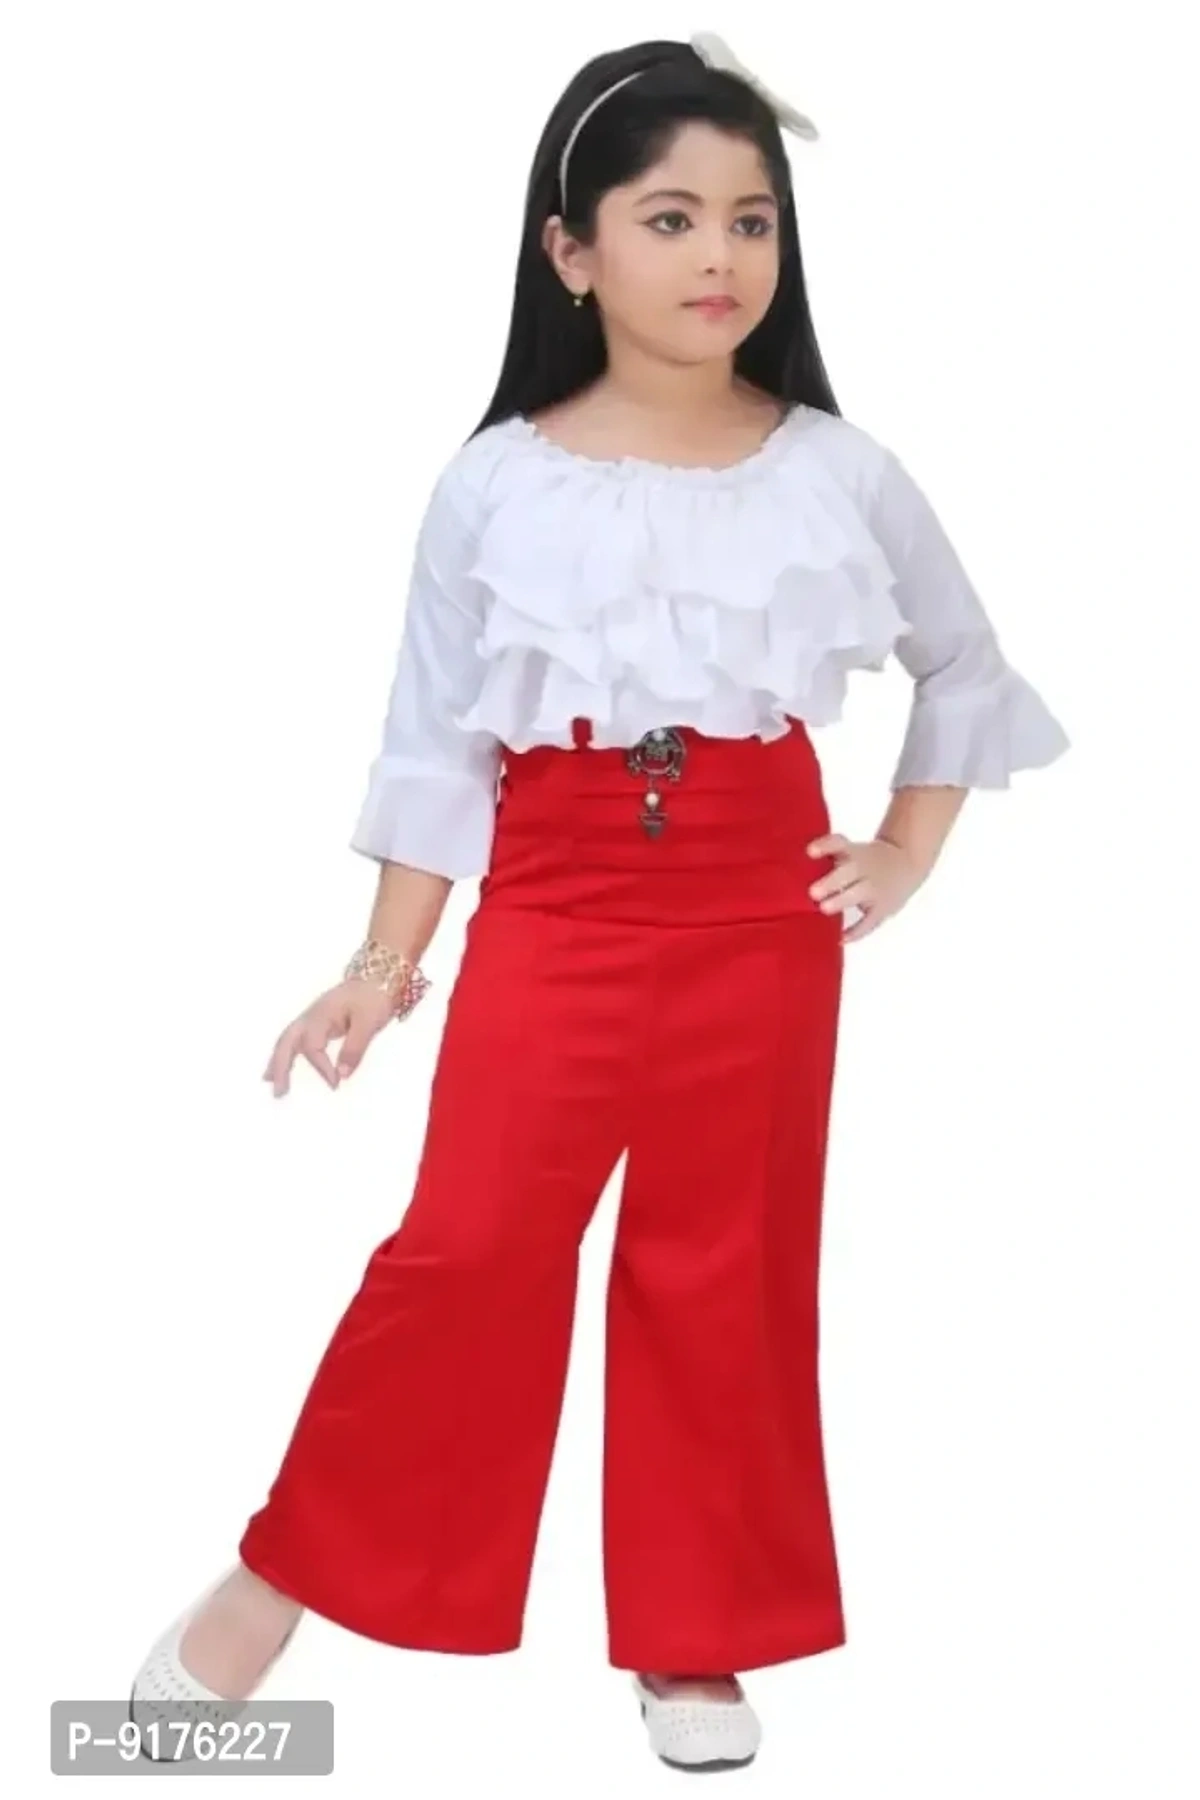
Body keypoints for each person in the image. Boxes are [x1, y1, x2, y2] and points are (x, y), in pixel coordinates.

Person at [129, 30, 1070, 1774]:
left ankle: (699, 1637)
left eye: (752, 220)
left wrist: (906, 847)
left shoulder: (838, 469)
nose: (721, 257)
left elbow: (966, 663)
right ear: (571, 251)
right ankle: (281, 1579)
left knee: (729, 1268)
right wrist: (383, 964)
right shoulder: (496, 478)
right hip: (556, 908)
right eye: (670, 217)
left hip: (759, 923)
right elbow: (434, 743)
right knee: (469, 1249)